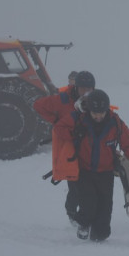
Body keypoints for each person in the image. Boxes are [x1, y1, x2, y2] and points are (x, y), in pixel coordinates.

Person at [55, 89, 129, 242]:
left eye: (102, 112)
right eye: (95, 112)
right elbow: (58, 129)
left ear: (107, 109)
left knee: (103, 226)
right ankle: (82, 223)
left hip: (106, 173)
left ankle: (98, 234)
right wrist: (75, 132)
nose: (99, 116)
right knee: (89, 204)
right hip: (84, 171)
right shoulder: (79, 119)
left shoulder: (115, 123)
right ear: (89, 109)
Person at [34, 71, 95, 224]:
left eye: (90, 89)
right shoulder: (62, 99)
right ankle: (72, 212)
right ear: (76, 87)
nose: (86, 92)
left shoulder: (95, 101)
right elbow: (38, 105)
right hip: (70, 150)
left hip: (89, 150)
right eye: (83, 88)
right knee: (74, 184)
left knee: (90, 184)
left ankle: (87, 214)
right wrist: (56, 121)